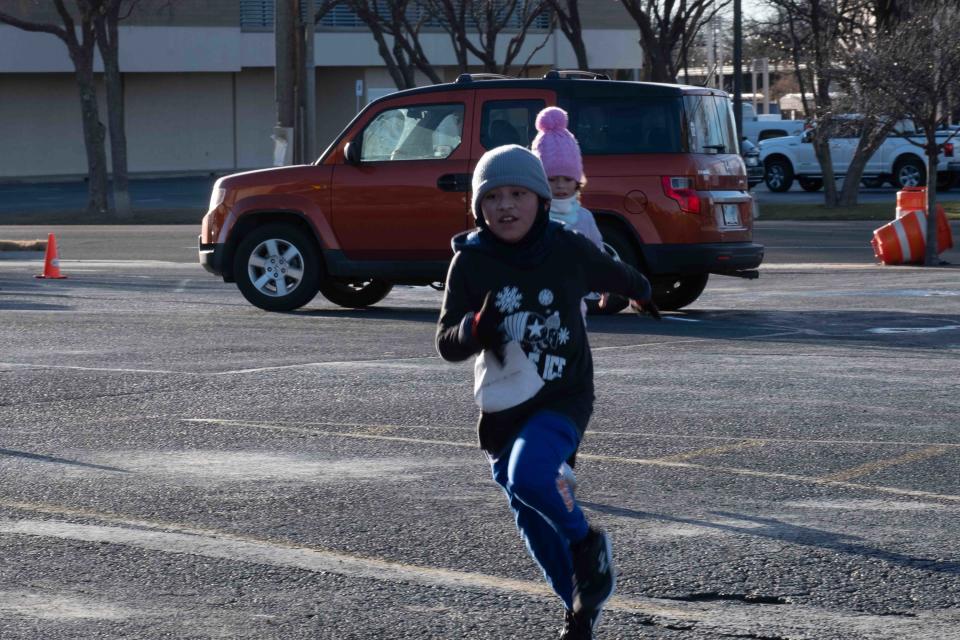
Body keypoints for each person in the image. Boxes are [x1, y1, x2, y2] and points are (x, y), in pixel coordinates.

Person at [435, 145, 661, 639]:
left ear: (540, 198)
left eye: (518, 193)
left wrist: (641, 292)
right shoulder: (470, 262)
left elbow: (622, 276)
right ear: (478, 207)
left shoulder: (567, 248)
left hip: (563, 396)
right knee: (531, 513)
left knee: (530, 475)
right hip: (503, 405)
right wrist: (475, 327)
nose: (505, 205)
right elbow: (447, 343)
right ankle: (580, 611)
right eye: (492, 196)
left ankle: (587, 544)